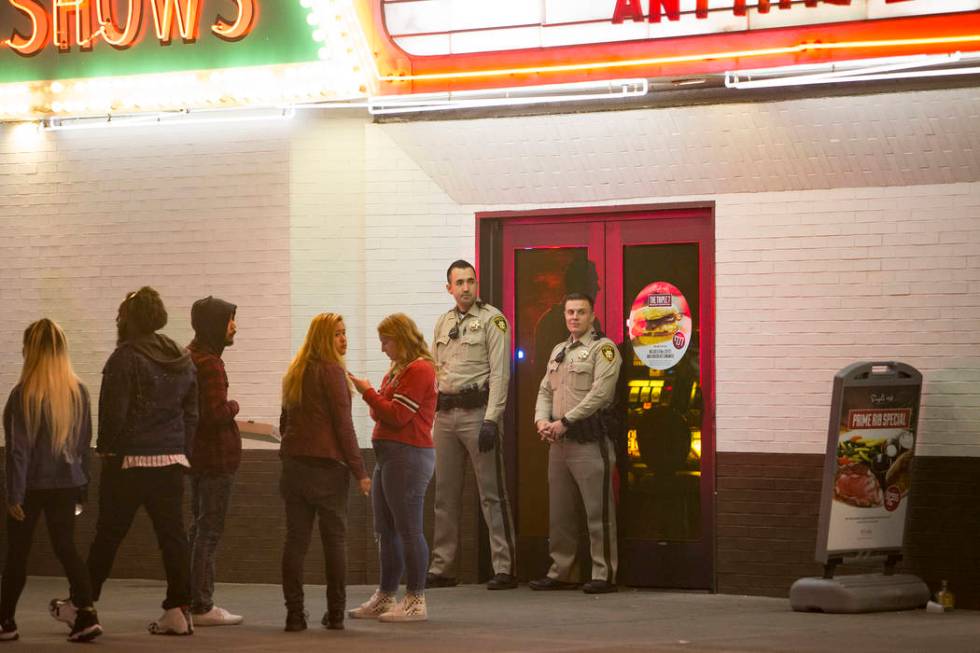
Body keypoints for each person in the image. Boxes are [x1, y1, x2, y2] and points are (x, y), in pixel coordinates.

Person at [50, 287, 199, 635]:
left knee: (108, 537)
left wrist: (106, 451)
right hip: (173, 461)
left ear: (130, 319)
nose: (117, 319)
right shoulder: (182, 358)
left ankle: (82, 604)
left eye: (120, 314)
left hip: (129, 462)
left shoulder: (124, 358)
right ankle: (179, 609)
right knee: (173, 538)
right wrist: (182, 448)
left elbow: (114, 416)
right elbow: (192, 413)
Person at [1, 319, 101, 643]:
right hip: (67, 484)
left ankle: (6, 623)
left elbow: (19, 451)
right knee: (67, 549)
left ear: (31, 351)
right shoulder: (78, 392)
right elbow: (85, 445)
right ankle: (86, 614)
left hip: (30, 487)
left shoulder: (23, 395)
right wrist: (83, 488)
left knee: (17, 553)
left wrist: (13, 494)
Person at [427, 259, 517, 590]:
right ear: (448, 288)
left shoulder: (493, 320)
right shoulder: (442, 323)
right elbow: (435, 370)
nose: (466, 288)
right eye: (459, 283)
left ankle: (504, 567)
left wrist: (493, 419)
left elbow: (500, 374)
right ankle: (443, 567)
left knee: (492, 494)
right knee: (445, 496)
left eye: (470, 281)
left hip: (478, 414)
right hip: (446, 416)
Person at [278, 313, 370, 632]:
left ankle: (294, 614)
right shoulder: (332, 372)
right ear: (322, 338)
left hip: (294, 468)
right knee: (334, 542)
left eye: (345, 333)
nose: (344, 340)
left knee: (295, 542)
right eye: (337, 335)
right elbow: (344, 428)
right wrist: (360, 470)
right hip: (327, 470)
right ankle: (335, 613)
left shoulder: (295, 371)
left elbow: (284, 423)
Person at [530, 293, 622, 594]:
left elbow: (600, 395)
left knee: (598, 512)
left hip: (588, 441)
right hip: (558, 443)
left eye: (581, 312)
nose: (574, 317)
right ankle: (563, 570)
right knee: (560, 512)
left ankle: (603, 573)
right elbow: (545, 389)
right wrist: (542, 421)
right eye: (570, 312)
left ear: (592, 315)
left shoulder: (603, 349)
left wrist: (565, 421)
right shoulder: (559, 350)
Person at [348, 313, 437, 622]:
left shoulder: (421, 369)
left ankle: (415, 600)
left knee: (409, 529)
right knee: (385, 530)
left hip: (408, 456)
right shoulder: (396, 372)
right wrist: (376, 397)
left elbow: (397, 416)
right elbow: (381, 415)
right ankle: (386, 596)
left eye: (386, 341)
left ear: (401, 338)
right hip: (389, 456)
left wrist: (367, 392)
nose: (383, 348)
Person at [186, 296, 244, 626]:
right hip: (215, 460)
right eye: (229, 319)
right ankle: (202, 604)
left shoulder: (190, 356)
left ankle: (195, 599)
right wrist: (234, 406)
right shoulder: (208, 363)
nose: (234, 325)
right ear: (213, 324)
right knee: (208, 532)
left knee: (198, 530)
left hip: (198, 459)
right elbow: (215, 413)